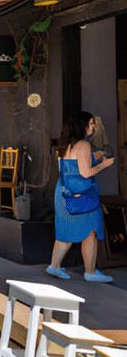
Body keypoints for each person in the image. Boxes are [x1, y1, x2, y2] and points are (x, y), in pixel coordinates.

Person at [47, 111, 115, 283]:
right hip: (82, 194)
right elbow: (85, 173)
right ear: (82, 125)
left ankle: (54, 266)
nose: (93, 126)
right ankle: (90, 272)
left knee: (65, 231)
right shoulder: (84, 144)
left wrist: (95, 156)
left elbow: (71, 167)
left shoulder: (66, 145)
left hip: (64, 193)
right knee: (90, 231)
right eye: (91, 123)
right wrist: (104, 164)